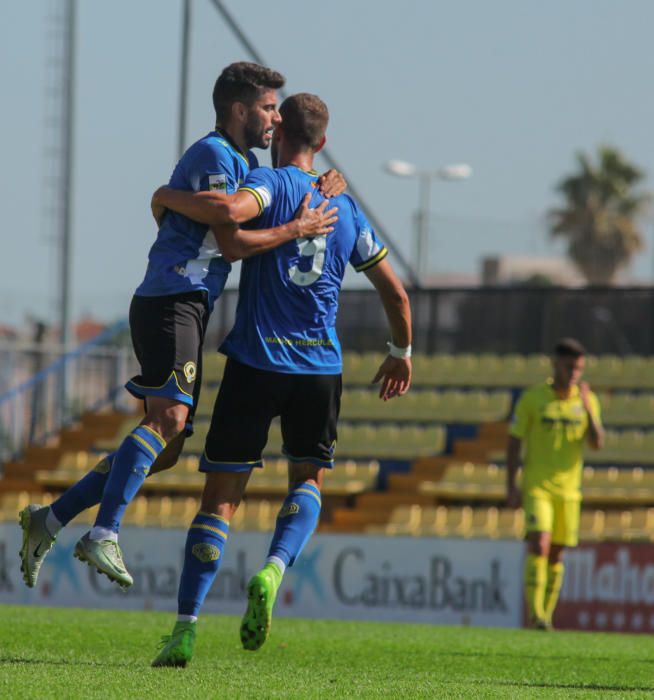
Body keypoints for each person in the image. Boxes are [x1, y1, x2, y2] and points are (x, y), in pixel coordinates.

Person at [18, 62, 342, 591]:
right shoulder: (217, 153)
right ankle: (104, 532)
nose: (273, 118)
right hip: (174, 299)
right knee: (168, 419)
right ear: (239, 110)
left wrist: (326, 180)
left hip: (185, 303)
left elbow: (216, 212)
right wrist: (298, 226)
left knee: (164, 449)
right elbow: (231, 236)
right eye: (266, 107)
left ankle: (49, 520)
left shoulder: (241, 160)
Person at [150, 93, 412, 667]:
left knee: (219, 503)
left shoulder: (267, 187)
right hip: (318, 369)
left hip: (253, 361)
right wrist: (401, 351)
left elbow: (230, 214)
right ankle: (273, 569)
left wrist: (168, 198)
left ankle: (185, 628)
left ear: (278, 131)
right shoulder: (344, 205)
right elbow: (395, 291)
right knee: (307, 484)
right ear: (321, 143)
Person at [506, 337, 604, 630]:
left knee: (558, 552)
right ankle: (535, 614)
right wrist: (511, 484)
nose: (573, 373)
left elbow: (597, 443)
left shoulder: (587, 400)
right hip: (538, 486)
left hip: (570, 491)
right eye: (569, 367)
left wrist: (587, 408)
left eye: (578, 368)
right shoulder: (533, 398)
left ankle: (545, 616)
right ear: (555, 364)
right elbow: (514, 442)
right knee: (540, 543)